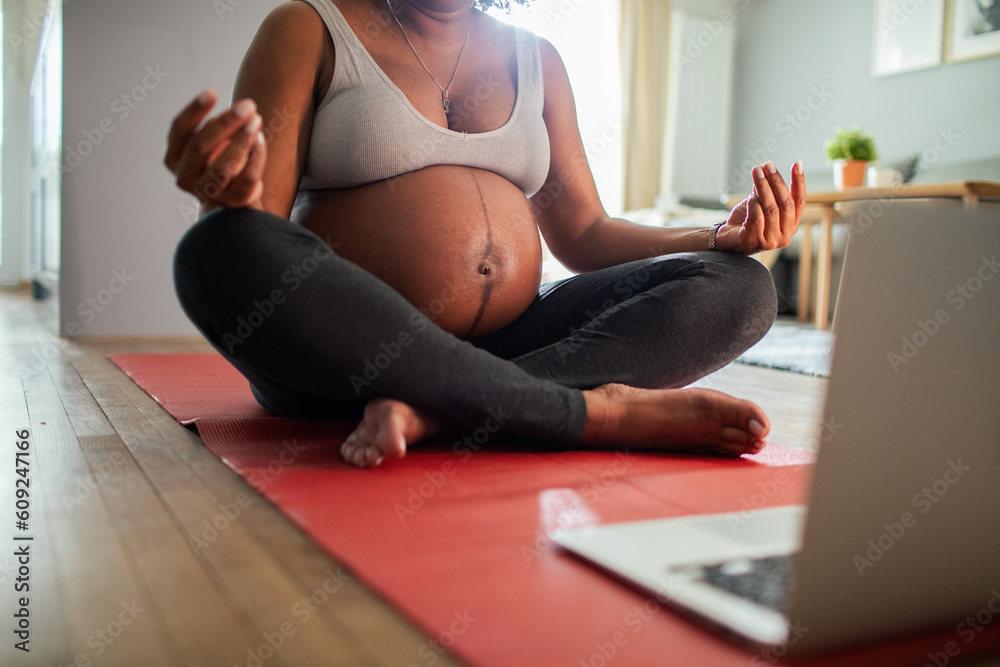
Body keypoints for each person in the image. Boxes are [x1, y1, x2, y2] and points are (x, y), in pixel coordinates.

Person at [165, 0, 806, 468]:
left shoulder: (538, 59)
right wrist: (228, 199)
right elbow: (258, 226)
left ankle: (443, 406)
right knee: (218, 249)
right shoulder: (309, 27)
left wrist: (714, 237)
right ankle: (589, 413)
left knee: (740, 288)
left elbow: (584, 233)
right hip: (349, 357)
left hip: (514, 339)